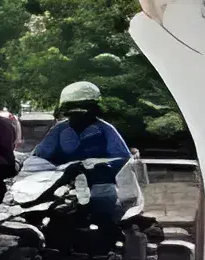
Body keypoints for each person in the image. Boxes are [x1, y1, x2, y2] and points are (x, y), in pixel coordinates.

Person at [28, 82, 134, 218]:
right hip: (63, 186)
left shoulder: (105, 129)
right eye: (72, 108)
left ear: (93, 108)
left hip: (99, 185)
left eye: (83, 107)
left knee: (105, 204)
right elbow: (40, 155)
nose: (77, 113)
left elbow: (123, 158)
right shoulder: (59, 130)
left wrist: (100, 166)